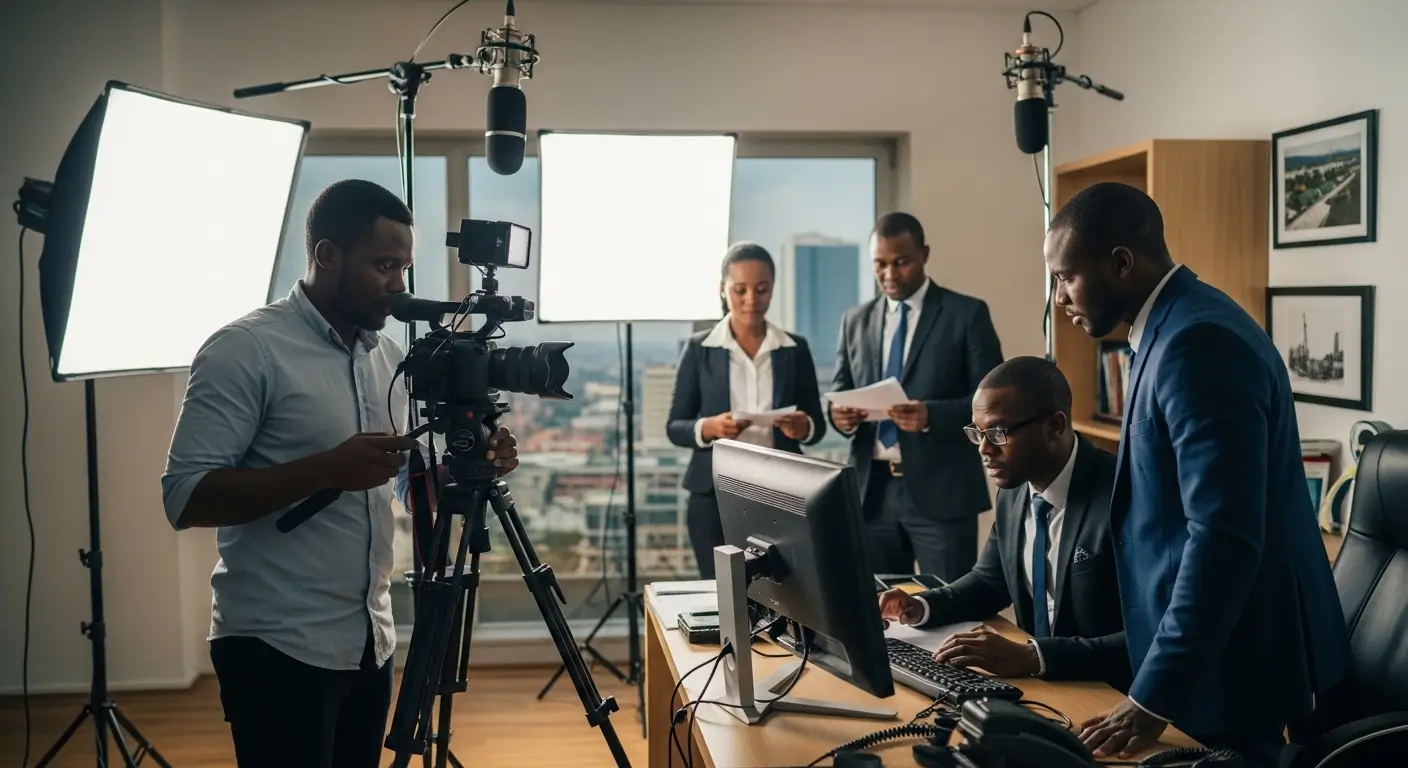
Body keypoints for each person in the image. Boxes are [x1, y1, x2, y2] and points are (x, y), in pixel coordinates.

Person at [160, 179, 520, 768]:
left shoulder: (384, 360)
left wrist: (466, 467)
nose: (399, 287)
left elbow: (407, 481)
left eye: (404, 268)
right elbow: (185, 497)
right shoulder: (245, 349)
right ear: (327, 256)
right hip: (277, 645)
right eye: (384, 266)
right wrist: (325, 468)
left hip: (369, 641)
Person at [1044, 182, 1349, 765]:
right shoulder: (1171, 327)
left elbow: (1224, 540)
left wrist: (1154, 695)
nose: (1059, 297)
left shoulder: (1196, 343)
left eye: (1066, 277)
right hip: (1204, 661)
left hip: (1234, 664)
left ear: (1121, 264)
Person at [879, 356, 1129, 690]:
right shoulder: (1014, 489)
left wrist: (1033, 656)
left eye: (997, 433)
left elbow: (1155, 633)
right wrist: (923, 605)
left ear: (1055, 426)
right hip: (1045, 686)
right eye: (977, 433)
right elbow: (989, 581)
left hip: (1110, 692)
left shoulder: (1123, 497)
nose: (984, 449)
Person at [829, 212, 1004, 582]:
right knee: (880, 616)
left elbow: (994, 403)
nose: (889, 274)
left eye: (901, 262)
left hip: (942, 493)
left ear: (924, 254)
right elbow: (841, 389)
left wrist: (930, 416)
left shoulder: (966, 314)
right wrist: (839, 418)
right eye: (880, 264)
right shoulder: (854, 321)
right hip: (870, 494)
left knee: (949, 607)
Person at [666, 242, 827, 578]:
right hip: (713, 494)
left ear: (773, 290)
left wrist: (804, 427)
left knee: (786, 590)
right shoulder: (700, 349)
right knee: (719, 589)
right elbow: (675, 426)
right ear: (723, 290)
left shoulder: (795, 349)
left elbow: (817, 425)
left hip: (782, 492)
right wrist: (709, 427)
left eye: (762, 289)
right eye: (740, 290)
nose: (751, 300)